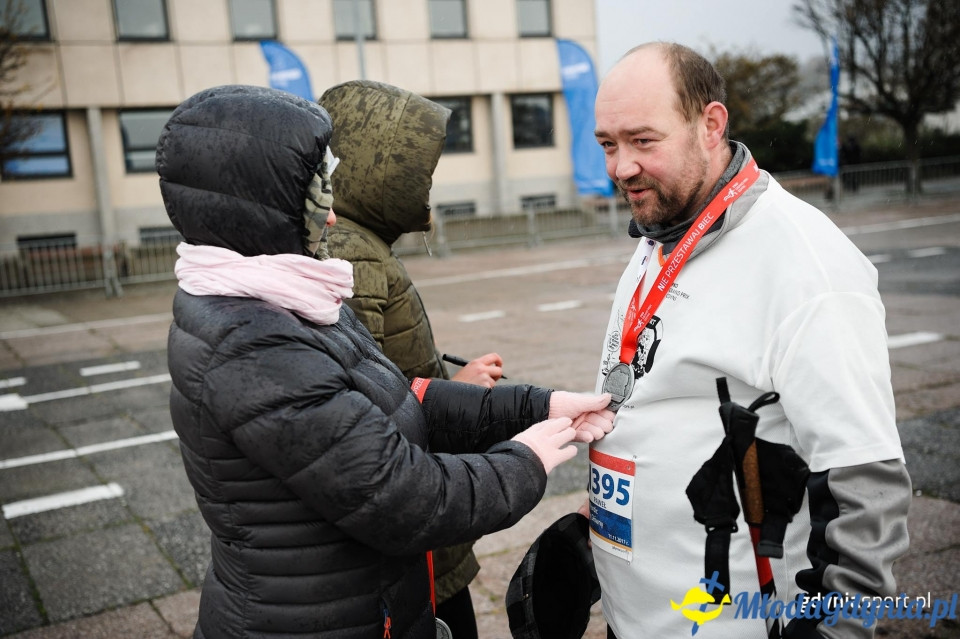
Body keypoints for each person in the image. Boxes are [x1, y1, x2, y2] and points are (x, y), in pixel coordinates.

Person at [157, 84, 615, 639]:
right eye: (315, 197)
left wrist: (537, 406)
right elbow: (402, 498)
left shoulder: (291, 296)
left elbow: (397, 395)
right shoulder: (253, 341)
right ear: (263, 207)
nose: (330, 220)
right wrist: (527, 459)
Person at [587, 43, 911, 639]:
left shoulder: (806, 265)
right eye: (608, 144)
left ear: (711, 125)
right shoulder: (662, 229)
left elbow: (866, 486)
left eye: (642, 141)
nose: (620, 167)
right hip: (637, 618)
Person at [319, 79, 499, 639]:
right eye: (414, 165)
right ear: (375, 163)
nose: (424, 181)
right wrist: (461, 391)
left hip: (411, 529)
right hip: (411, 547)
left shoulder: (353, 241)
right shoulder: (353, 253)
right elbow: (362, 401)